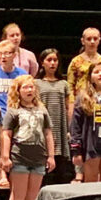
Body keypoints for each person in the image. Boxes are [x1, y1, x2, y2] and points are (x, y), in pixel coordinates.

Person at [1, 76, 55, 200]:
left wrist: (51, 156)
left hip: (38, 157)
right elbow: (6, 134)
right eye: (25, 87)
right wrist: (5, 156)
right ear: (18, 91)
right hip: (20, 156)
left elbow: (48, 133)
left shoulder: (42, 109)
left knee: (33, 194)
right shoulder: (13, 111)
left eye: (31, 87)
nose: (29, 90)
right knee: (18, 193)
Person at [35, 49, 73, 185]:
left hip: (59, 128)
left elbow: (69, 107)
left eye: (55, 60)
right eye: (49, 60)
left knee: (60, 167)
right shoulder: (36, 83)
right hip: (43, 127)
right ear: (42, 63)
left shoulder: (64, 84)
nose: (52, 63)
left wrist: (69, 128)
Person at [65, 27, 101, 108]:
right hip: (80, 104)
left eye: (95, 39)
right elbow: (70, 86)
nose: (92, 41)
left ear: (99, 40)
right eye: (89, 39)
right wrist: (71, 106)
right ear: (82, 41)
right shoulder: (75, 62)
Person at [0, 39, 27, 114]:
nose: (3, 56)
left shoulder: (22, 75)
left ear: (14, 55)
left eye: (6, 53)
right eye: (0, 53)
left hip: (16, 115)